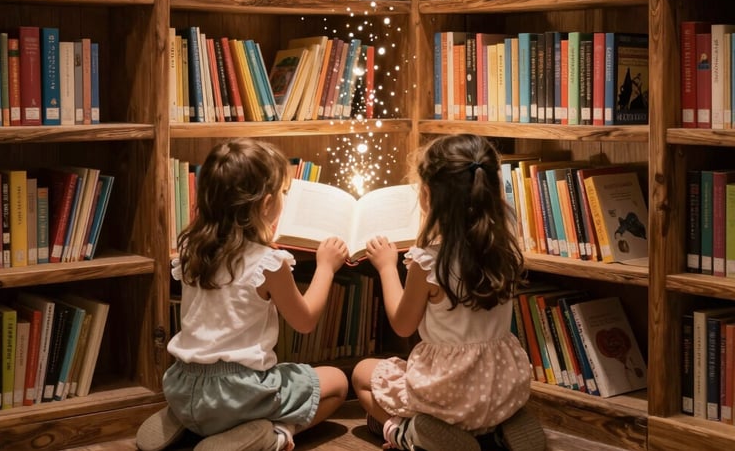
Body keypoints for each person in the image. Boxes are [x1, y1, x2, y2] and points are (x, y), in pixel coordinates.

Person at [136, 138, 350, 451]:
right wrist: (326, 268)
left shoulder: (189, 252)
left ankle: (186, 419)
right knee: (335, 382)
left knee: (214, 397)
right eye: (282, 194)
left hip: (183, 384)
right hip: (238, 393)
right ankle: (274, 434)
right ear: (265, 205)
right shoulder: (268, 263)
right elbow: (305, 321)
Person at [351, 134, 546, 451]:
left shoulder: (428, 262)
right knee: (482, 406)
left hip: (448, 395)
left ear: (427, 196)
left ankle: (407, 433)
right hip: (501, 388)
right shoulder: (506, 251)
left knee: (363, 374)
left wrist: (387, 267)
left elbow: (403, 325)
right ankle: (501, 427)